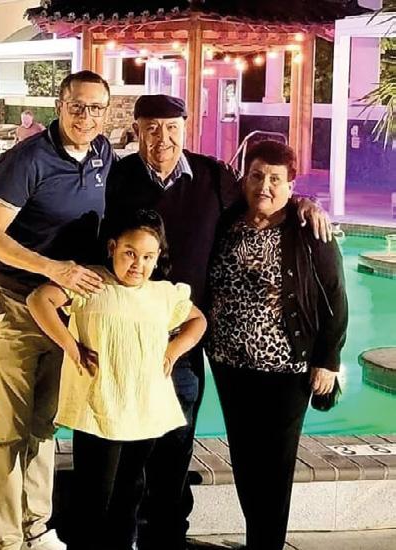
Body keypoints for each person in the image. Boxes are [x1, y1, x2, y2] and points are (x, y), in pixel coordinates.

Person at [103, 94, 333, 550]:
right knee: (125, 448)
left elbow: (262, 199)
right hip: (125, 334)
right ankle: (119, 539)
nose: (162, 138)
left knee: (175, 447)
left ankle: (166, 538)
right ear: (136, 129)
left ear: (185, 129)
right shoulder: (117, 176)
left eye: (172, 127)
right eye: (152, 128)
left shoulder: (211, 176)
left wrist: (303, 203)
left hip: (184, 340)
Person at [0, 70, 114, 550]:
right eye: (77, 106)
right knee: (11, 432)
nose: (86, 116)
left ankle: (37, 527)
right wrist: (53, 268)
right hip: (14, 309)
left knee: (45, 426)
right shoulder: (27, 159)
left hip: (62, 313)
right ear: (60, 105)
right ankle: (7, 539)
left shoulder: (102, 154)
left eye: (96, 108)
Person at [27, 209, 207, 550]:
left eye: (148, 257)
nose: (138, 263)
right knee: (95, 492)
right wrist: (71, 346)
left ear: (157, 257)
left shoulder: (163, 293)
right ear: (112, 248)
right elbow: (39, 300)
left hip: (143, 411)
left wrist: (172, 352)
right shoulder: (92, 282)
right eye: (129, 253)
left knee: (131, 489)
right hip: (100, 409)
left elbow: (198, 320)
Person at [205, 140, 348, 550]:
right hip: (230, 364)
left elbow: (335, 295)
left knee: (275, 465)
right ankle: (259, 541)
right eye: (256, 176)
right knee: (245, 460)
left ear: (290, 185)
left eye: (275, 179)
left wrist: (328, 359)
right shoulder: (227, 221)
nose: (264, 186)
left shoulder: (308, 230)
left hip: (287, 369)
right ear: (244, 179)